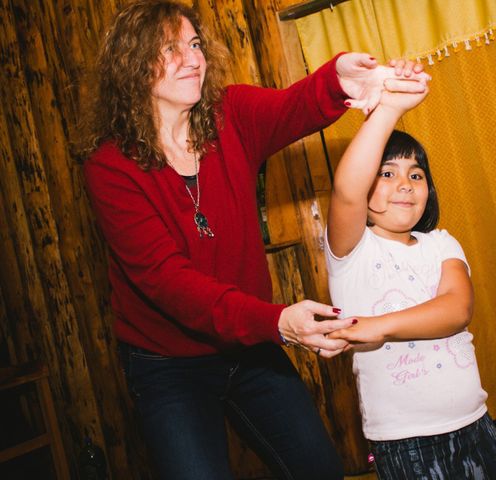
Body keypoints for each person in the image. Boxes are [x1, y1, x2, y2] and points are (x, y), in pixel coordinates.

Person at [80, 1, 428, 479]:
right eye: (170, 48)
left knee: (319, 469)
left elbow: (296, 105)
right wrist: (280, 322)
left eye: (195, 44)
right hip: (169, 364)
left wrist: (343, 80)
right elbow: (169, 283)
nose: (193, 59)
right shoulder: (110, 166)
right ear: (133, 66)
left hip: (249, 346)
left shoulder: (230, 115)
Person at [324, 79, 496, 479]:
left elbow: (456, 308)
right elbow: (346, 191)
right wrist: (389, 109)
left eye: (416, 175)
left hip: (475, 422)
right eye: (387, 173)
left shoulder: (441, 244)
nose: (405, 186)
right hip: (404, 440)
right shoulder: (352, 253)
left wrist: (375, 327)